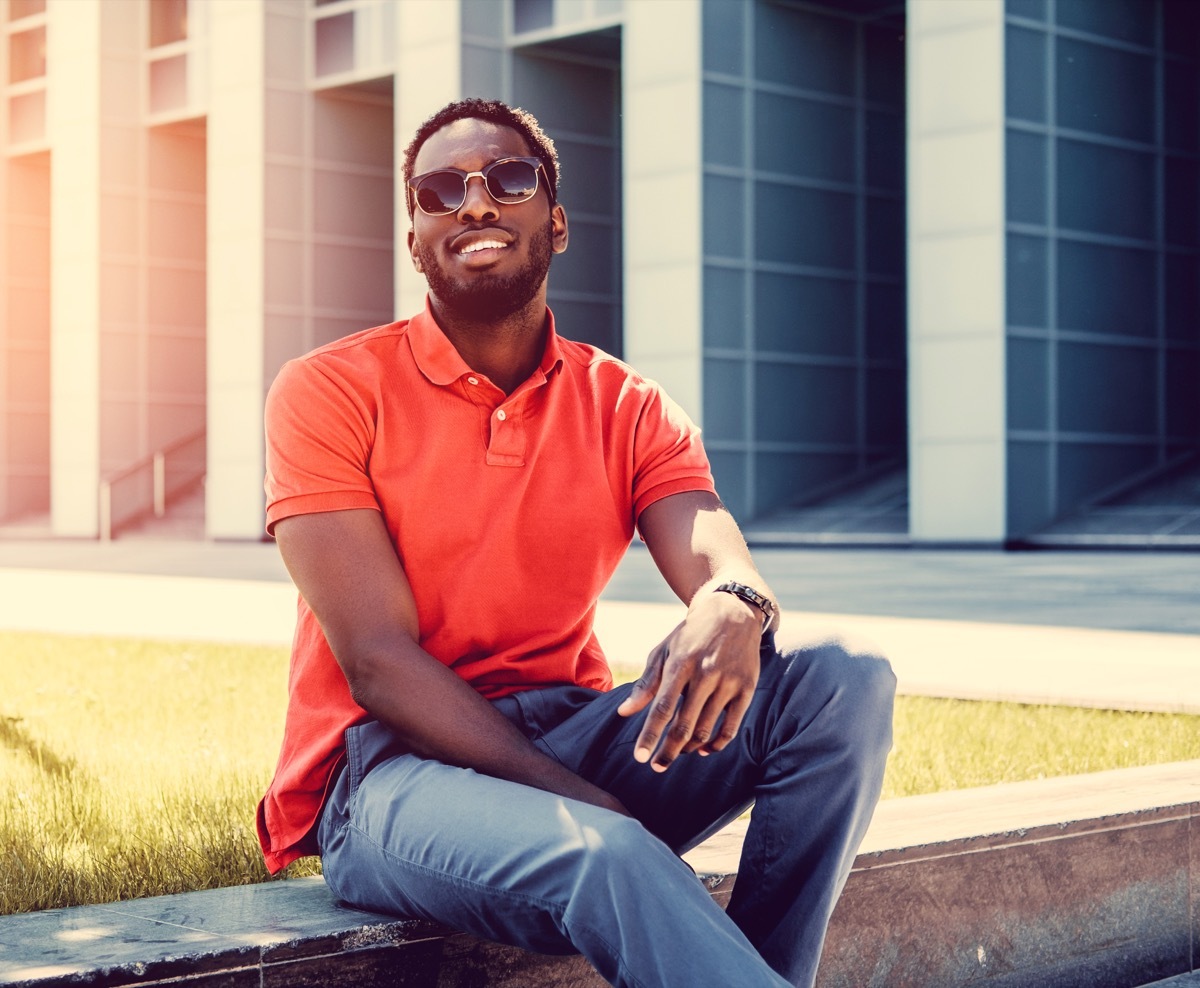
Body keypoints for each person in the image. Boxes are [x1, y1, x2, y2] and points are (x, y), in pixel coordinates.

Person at [257, 97, 895, 988]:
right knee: (605, 852)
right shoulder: (327, 389)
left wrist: (733, 601)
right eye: (440, 192)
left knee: (844, 681)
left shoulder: (626, 403)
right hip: (391, 776)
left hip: (571, 731)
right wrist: (586, 805)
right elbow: (377, 660)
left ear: (555, 223)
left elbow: (716, 550)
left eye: (506, 181)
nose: (473, 204)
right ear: (414, 242)